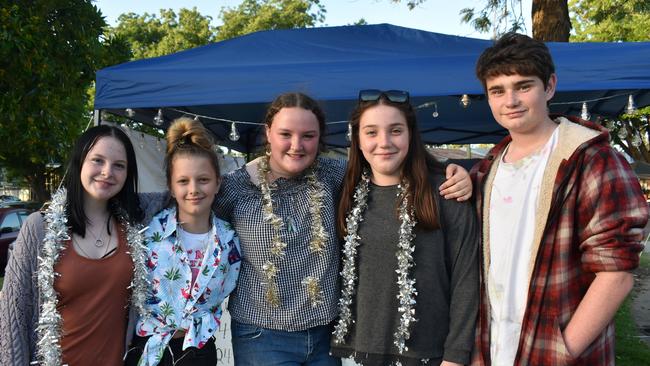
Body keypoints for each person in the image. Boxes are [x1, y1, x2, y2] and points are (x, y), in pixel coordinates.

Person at [214, 92, 473, 366]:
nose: (296, 145)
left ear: (320, 137)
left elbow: (387, 161)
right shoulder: (236, 187)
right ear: (268, 133)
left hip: (325, 336)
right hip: (262, 335)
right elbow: (191, 209)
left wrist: (459, 172)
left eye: (308, 135)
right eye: (285, 134)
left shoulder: (336, 175)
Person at [470, 33, 649, 365]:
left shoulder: (592, 160)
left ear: (549, 86)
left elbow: (617, 273)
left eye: (523, 86)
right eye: (497, 91)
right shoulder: (485, 170)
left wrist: (564, 349)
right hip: (493, 349)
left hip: (558, 352)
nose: (510, 100)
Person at [329, 89, 479, 366]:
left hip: (429, 355)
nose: (384, 142)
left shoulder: (447, 191)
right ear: (357, 139)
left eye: (395, 130)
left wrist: (456, 355)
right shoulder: (343, 193)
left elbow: (466, 278)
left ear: (411, 135)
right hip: (355, 354)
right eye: (371, 132)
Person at [0, 125, 147, 365]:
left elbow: (185, 190)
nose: (107, 172)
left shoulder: (136, 222)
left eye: (119, 165)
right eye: (97, 160)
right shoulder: (39, 228)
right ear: (79, 163)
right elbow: (13, 316)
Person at [125, 117, 241, 366]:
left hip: (199, 351)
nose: (193, 189)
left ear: (218, 182)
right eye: (183, 181)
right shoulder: (147, 234)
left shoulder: (230, 240)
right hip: (151, 349)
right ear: (170, 185)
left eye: (203, 180)